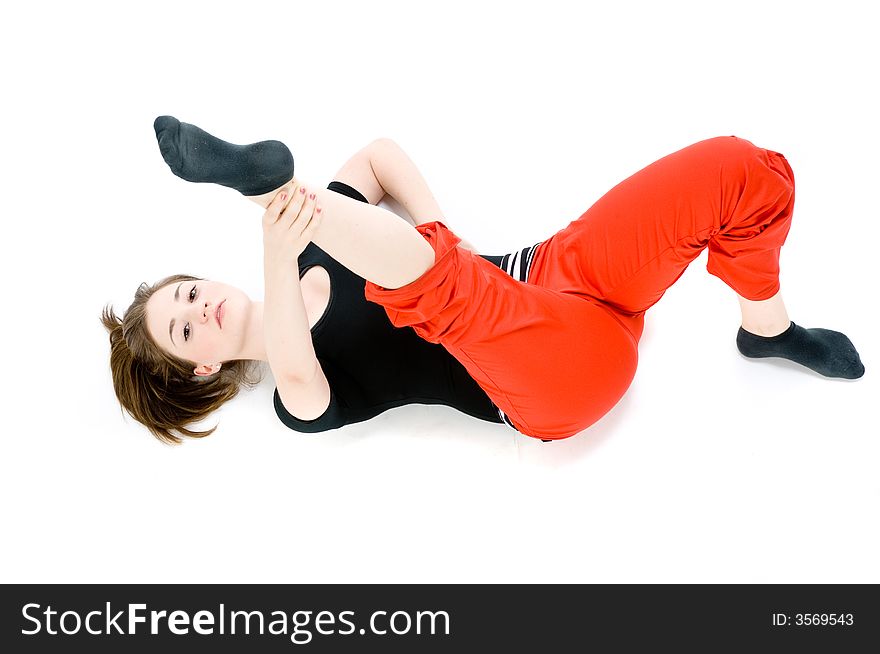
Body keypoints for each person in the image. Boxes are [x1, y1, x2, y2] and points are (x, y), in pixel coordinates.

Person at [102, 117, 865, 445]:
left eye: (188, 291)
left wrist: (444, 231)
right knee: (447, 295)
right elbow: (296, 363)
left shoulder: (315, 254)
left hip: (555, 270)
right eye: (185, 325)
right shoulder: (295, 402)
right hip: (549, 381)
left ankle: (765, 330)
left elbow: (375, 155)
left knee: (738, 169)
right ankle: (264, 185)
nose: (200, 305)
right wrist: (277, 219)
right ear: (203, 365)